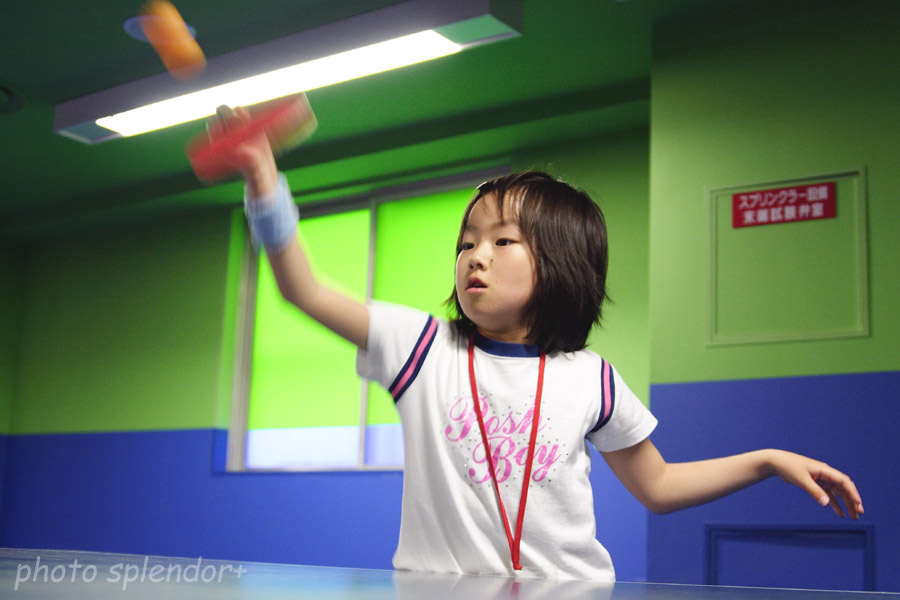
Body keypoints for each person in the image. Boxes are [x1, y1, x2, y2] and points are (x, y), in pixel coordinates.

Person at [208, 105, 864, 582]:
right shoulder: (421, 348)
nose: (476, 256)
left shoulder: (591, 376)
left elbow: (659, 485)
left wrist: (766, 460)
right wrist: (263, 177)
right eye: (467, 242)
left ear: (558, 264)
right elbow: (302, 289)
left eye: (502, 241)